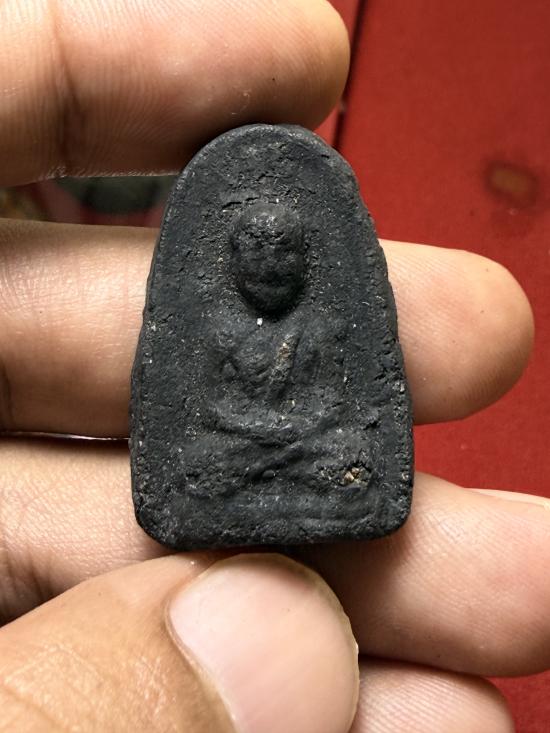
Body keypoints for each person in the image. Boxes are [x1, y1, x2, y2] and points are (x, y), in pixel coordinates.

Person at [0, 1, 546, 731]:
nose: (269, 268)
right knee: (195, 468)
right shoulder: (219, 331)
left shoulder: (321, 328)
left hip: (305, 450)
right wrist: (262, 439)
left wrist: (295, 439)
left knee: (352, 462)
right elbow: (207, 410)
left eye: (284, 254)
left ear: (304, 260)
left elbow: (335, 407)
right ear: (233, 263)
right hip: (240, 454)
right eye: (254, 255)